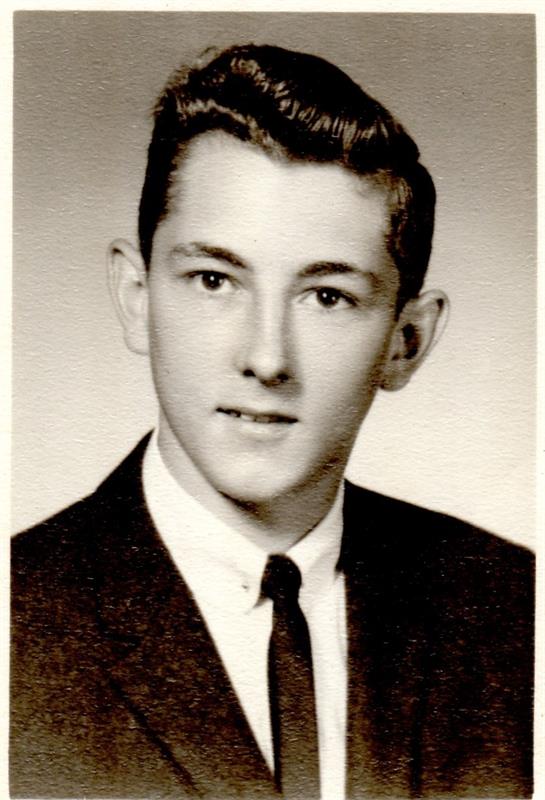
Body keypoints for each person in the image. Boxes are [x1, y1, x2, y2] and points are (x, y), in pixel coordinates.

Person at [10, 43, 533, 799]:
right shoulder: (14, 618)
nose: (265, 357)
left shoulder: (516, 609)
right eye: (214, 280)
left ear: (405, 343)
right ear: (136, 296)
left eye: (326, 297)